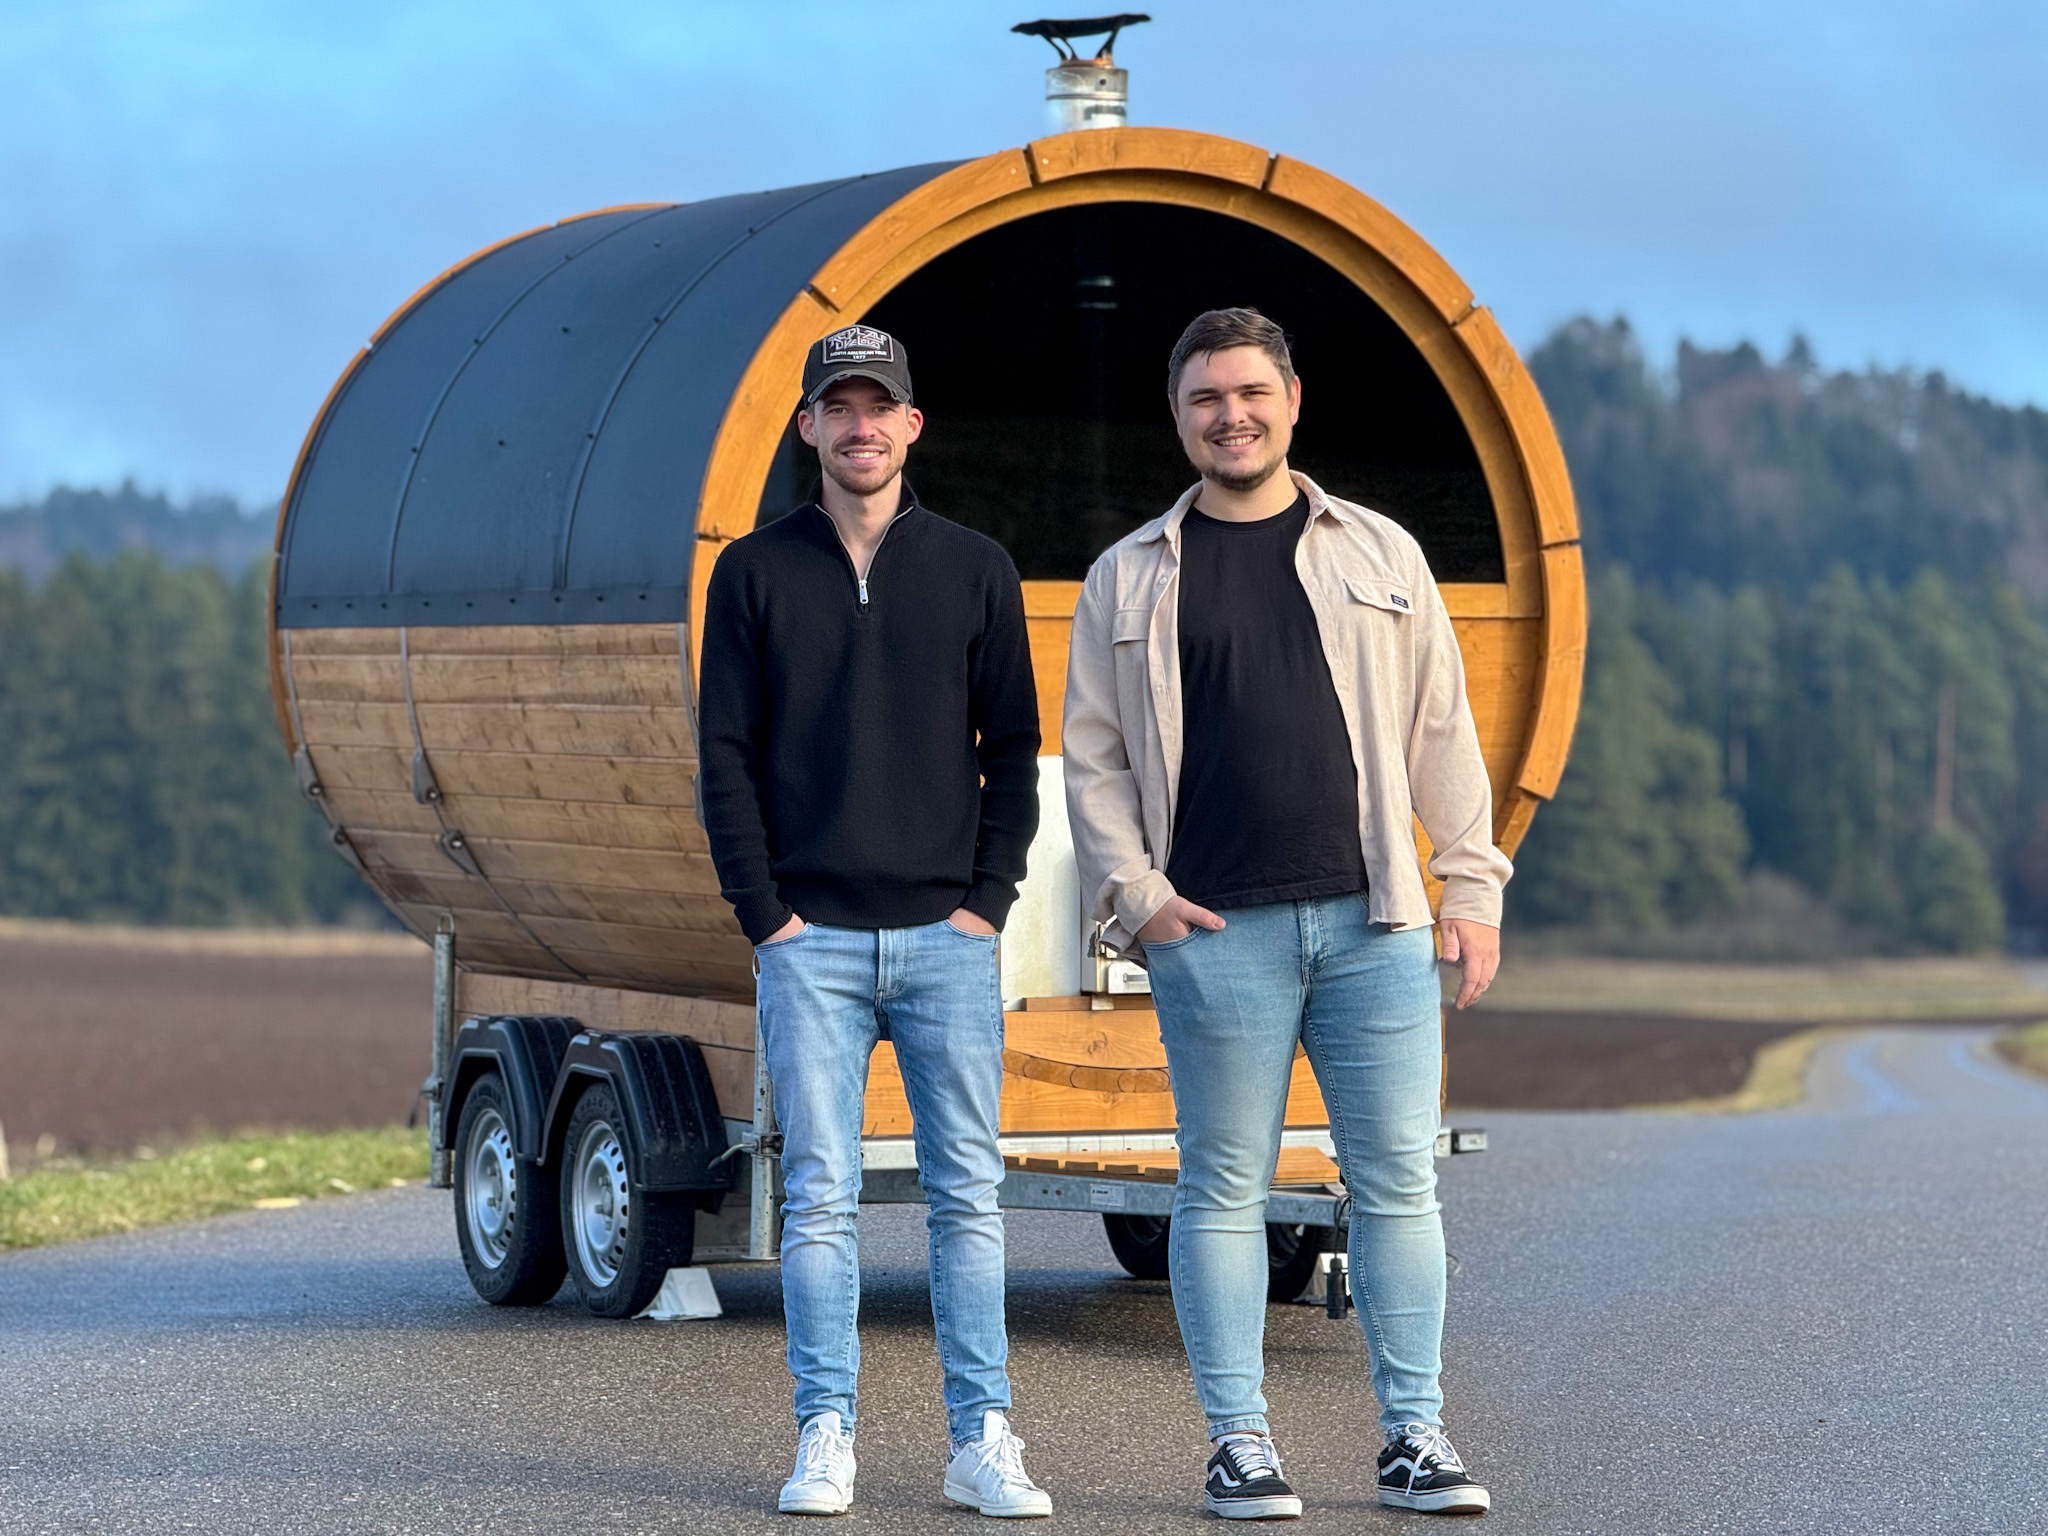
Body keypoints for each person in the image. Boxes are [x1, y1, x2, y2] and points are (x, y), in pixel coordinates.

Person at [1062, 307, 1509, 1519]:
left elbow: (1441, 733)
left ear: (1292, 400)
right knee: (1220, 1188)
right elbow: (1091, 764)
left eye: (1251, 392)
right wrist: (1138, 898)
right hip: (1215, 934)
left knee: (1396, 1184)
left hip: (1375, 925)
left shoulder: (1380, 554)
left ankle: (1412, 1438)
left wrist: (1469, 885)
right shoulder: (1125, 574)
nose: (1231, 415)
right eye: (1206, 397)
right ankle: (1237, 1445)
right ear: (1178, 418)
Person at [697, 323, 1051, 1519]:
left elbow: (1012, 749)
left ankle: (981, 1439)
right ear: (807, 427)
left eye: (878, 406)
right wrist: (766, 916)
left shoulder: (973, 567)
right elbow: (724, 759)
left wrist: (983, 905)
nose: (859, 426)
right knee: (821, 1198)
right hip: (812, 944)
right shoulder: (752, 571)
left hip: (945, 942)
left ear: (911, 426)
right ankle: (824, 1433)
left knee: (966, 1196)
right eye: (836, 407)